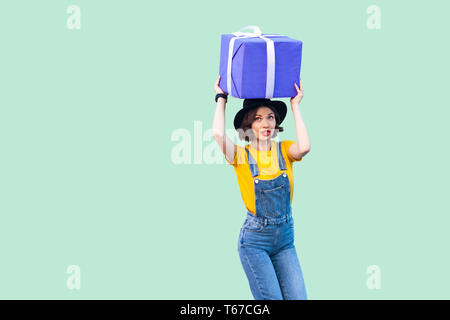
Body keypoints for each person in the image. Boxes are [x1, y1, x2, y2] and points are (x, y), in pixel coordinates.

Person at [212, 75, 311, 300]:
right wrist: (221, 98)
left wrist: (295, 105)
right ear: (249, 124)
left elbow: (304, 147)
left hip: (285, 240)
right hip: (255, 242)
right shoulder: (239, 155)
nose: (265, 124)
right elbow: (218, 133)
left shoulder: (285, 150)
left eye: (270, 117)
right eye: (258, 119)